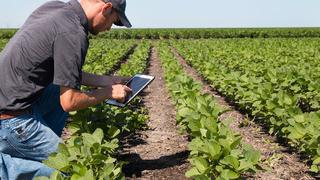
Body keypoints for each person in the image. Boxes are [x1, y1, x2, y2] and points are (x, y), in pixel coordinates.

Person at [0, 0, 132, 179]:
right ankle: (7, 167)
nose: (109, 28)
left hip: (12, 102)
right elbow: (69, 102)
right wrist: (108, 92)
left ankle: (38, 152)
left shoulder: (54, 8)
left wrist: (109, 81)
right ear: (106, 8)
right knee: (76, 169)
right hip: (12, 120)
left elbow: (66, 72)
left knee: (57, 88)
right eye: (114, 22)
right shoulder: (73, 33)